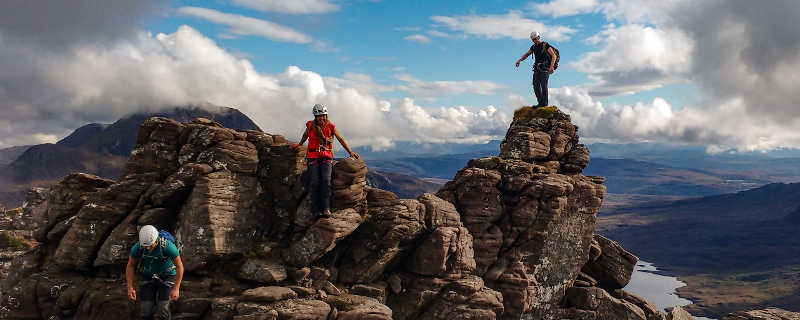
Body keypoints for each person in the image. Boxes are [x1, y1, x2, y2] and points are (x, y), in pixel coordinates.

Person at [290, 104, 360, 218]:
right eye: (319, 116)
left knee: (326, 180)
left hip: (326, 156)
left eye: (323, 116)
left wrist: (350, 152)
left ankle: (326, 208)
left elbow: (340, 138)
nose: (321, 118)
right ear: (315, 116)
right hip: (312, 156)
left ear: (326, 115)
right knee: (316, 183)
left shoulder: (331, 127)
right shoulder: (310, 125)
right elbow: (306, 135)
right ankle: (316, 210)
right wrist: (300, 144)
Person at [126, 225, 184, 320]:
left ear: (156, 240)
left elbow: (179, 266)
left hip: (167, 275)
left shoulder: (168, 247)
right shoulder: (138, 248)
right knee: (146, 308)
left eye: (150, 245)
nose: (148, 248)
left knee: (163, 308)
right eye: (146, 245)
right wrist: (130, 287)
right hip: (148, 275)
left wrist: (176, 288)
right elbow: (130, 265)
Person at [516, 31, 557, 108]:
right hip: (537, 68)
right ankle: (540, 103)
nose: (535, 41)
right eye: (533, 40)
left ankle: (544, 104)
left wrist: (551, 66)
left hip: (545, 68)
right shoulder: (534, 47)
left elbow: (553, 55)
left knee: (544, 85)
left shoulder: (545, 45)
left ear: (538, 37)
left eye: (535, 39)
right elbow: (527, 54)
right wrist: (519, 60)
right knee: (535, 85)